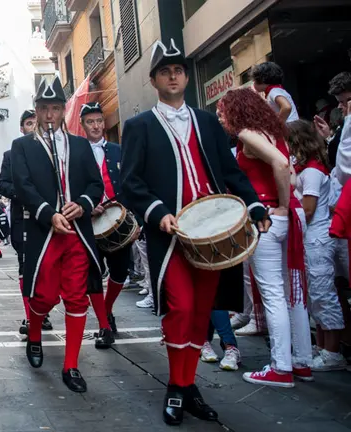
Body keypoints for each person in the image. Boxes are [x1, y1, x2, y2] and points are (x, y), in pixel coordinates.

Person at [120, 39, 268, 426]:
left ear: (186, 76)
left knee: (202, 313)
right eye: (165, 70)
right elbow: (131, 183)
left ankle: (186, 386)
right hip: (170, 236)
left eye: (178, 69)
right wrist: (157, 214)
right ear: (153, 79)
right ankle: (176, 384)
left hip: (211, 233)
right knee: (180, 308)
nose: (173, 75)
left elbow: (230, 171)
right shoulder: (139, 126)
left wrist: (253, 206)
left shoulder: (205, 121)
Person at [11, 75, 104, 393]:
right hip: (44, 233)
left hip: (77, 233)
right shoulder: (22, 145)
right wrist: (48, 214)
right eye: (43, 108)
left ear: (63, 110)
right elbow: (23, 186)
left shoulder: (79, 145)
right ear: (36, 111)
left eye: (54, 108)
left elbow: (96, 184)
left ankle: (72, 365)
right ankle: (34, 335)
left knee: (77, 298)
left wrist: (83, 204)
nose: (49, 114)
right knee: (43, 296)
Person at [217, 88, 313, 387]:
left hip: (268, 218)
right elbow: (292, 174)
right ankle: (301, 362)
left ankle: (281, 367)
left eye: (222, 111)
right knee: (291, 292)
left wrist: (279, 206)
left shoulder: (247, 134)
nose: (220, 117)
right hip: (286, 216)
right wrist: (285, 203)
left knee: (274, 294)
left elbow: (283, 167)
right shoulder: (274, 133)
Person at [287, 120, 347, 371]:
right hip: (312, 239)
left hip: (317, 239)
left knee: (323, 295)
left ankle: (332, 352)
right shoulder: (307, 169)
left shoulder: (311, 172)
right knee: (315, 296)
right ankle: (322, 347)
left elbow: (308, 209)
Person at [80, 102, 131, 348]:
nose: (96, 126)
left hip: (117, 221)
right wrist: (86, 206)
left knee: (121, 272)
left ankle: (108, 308)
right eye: (90, 122)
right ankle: (103, 325)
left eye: (99, 121)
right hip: (88, 222)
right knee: (93, 274)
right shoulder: (76, 153)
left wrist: (136, 219)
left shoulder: (118, 150)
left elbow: (131, 183)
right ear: (83, 126)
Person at [0, 109, 53, 335]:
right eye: (29, 123)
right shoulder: (11, 155)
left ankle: (42, 311)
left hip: (48, 219)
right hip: (23, 218)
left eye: (35, 123)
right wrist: (22, 193)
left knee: (48, 267)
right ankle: (31, 316)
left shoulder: (52, 152)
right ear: (22, 128)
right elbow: (2, 184)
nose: (33, 126)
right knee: (25, 267)